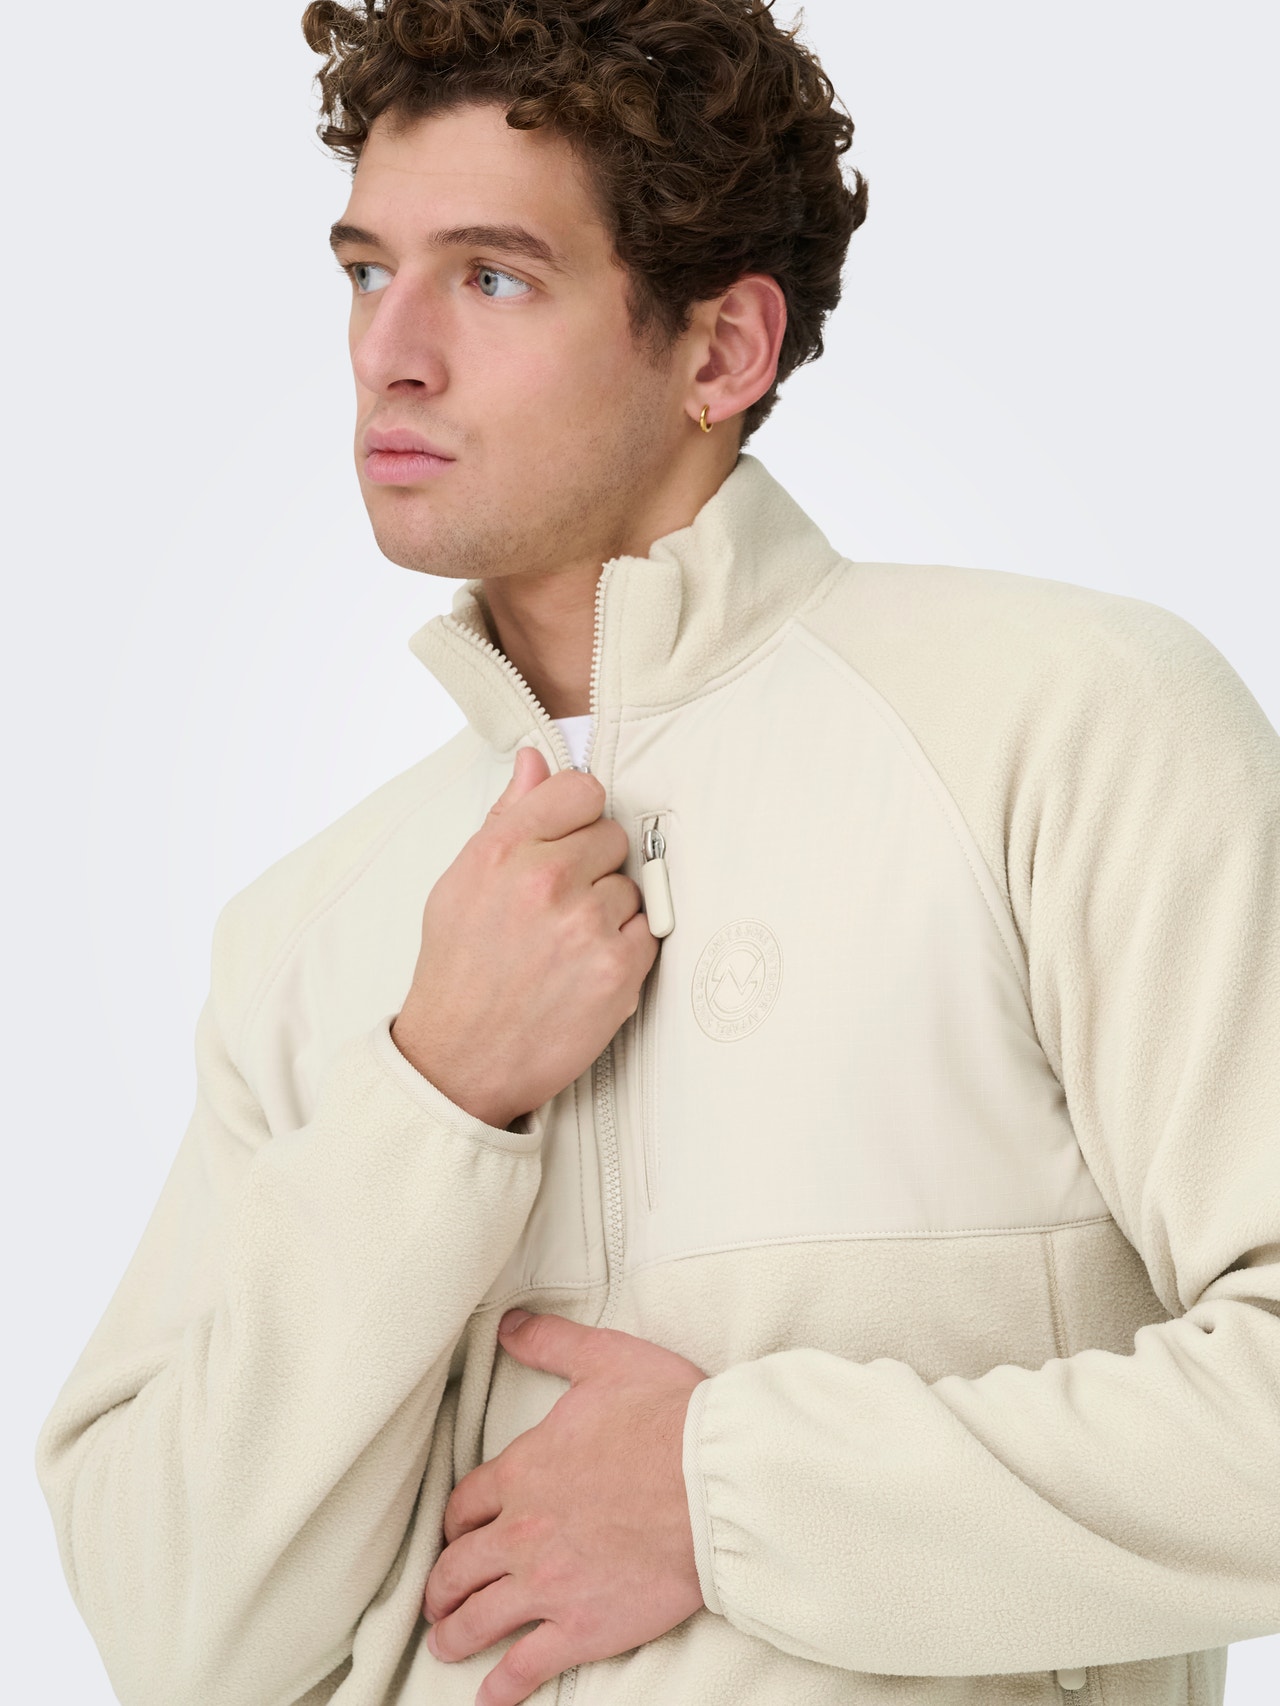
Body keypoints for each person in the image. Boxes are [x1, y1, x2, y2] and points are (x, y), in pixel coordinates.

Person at [34, 2, 1280, 1704]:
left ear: (721, 350)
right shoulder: (309, 930)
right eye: (366, 272)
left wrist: (727, 1500)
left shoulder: (1062, 728)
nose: (390, 351)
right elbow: (171, 1630)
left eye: (491, 277)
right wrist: (432, 1091)